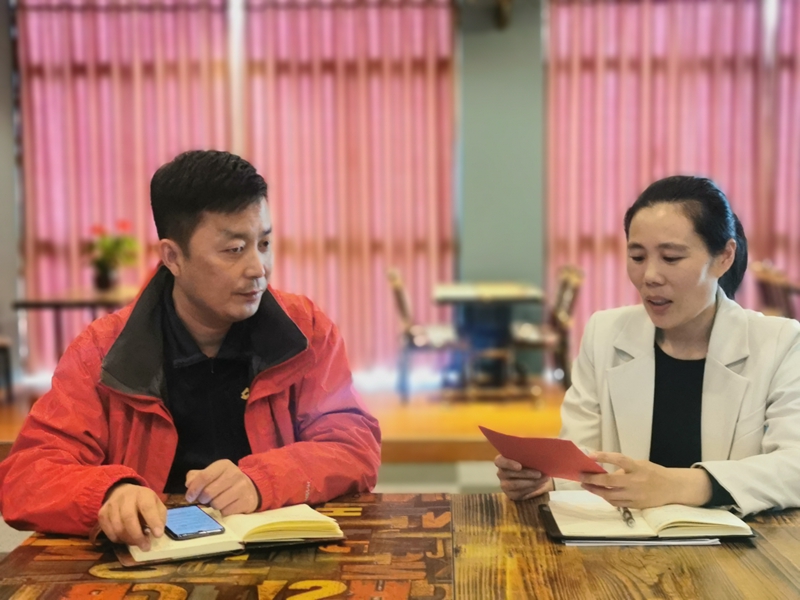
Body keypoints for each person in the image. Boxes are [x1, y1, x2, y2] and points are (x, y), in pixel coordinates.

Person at [0, 150, 381, 549]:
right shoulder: (102, 352)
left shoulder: (306, 330)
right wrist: (110, 493)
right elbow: (27, 476)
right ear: (173, 257)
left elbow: (352, 444)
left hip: (278, 560)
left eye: (264, 243)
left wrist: (263, 480)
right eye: (234, 249)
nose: (258, 268)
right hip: (151, 563)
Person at [497, 175, 800, 516]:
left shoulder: (779, 343)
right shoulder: (605, 333)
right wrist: (549, 478)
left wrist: (679, 484)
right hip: (623, 542)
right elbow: (586, 459)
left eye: (671, 258)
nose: (650, 276)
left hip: (737, 545)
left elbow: (794, 466)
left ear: (724, 257)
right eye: (638, 257)